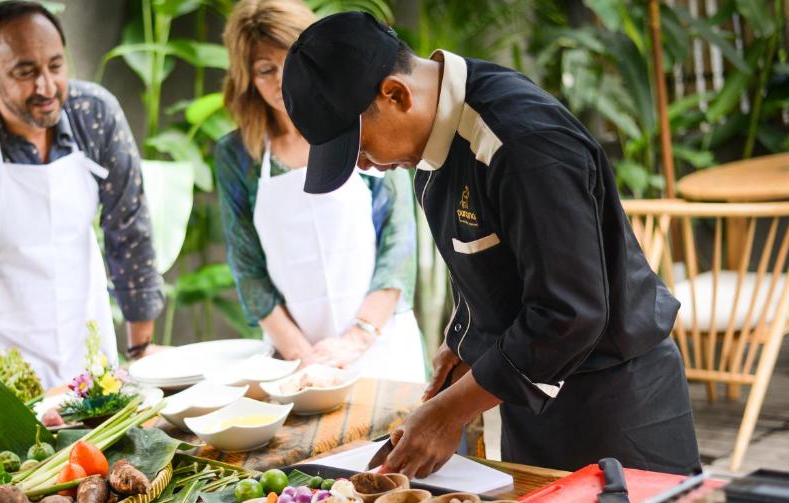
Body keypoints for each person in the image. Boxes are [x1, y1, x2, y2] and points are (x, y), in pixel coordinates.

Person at [281, 12, 701, 476]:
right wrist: (462, 342)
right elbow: (491, 258)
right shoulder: (433, 134)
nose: (366, 163)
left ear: (395, 94)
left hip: (614, 407)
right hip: (530, 399)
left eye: (359, 146)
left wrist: (451, 412)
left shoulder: (521, 142)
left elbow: (570, 312)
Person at [0, 1, 164, 386]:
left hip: (90, 354)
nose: (46, 86)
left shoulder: (94, 115)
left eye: (55, 66)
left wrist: (142, 349)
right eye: (25, 72)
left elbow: (129, 231)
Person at [213, 0, 425, 382]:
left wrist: (358, 339)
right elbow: (247, 269)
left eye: (290, 61)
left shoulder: (364, 121)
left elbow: (399, 245)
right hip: (297, 357)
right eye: (265, 70)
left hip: (381, 343)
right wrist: (304, 357)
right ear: (245, 79)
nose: (281, 79)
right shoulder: (237, 156)